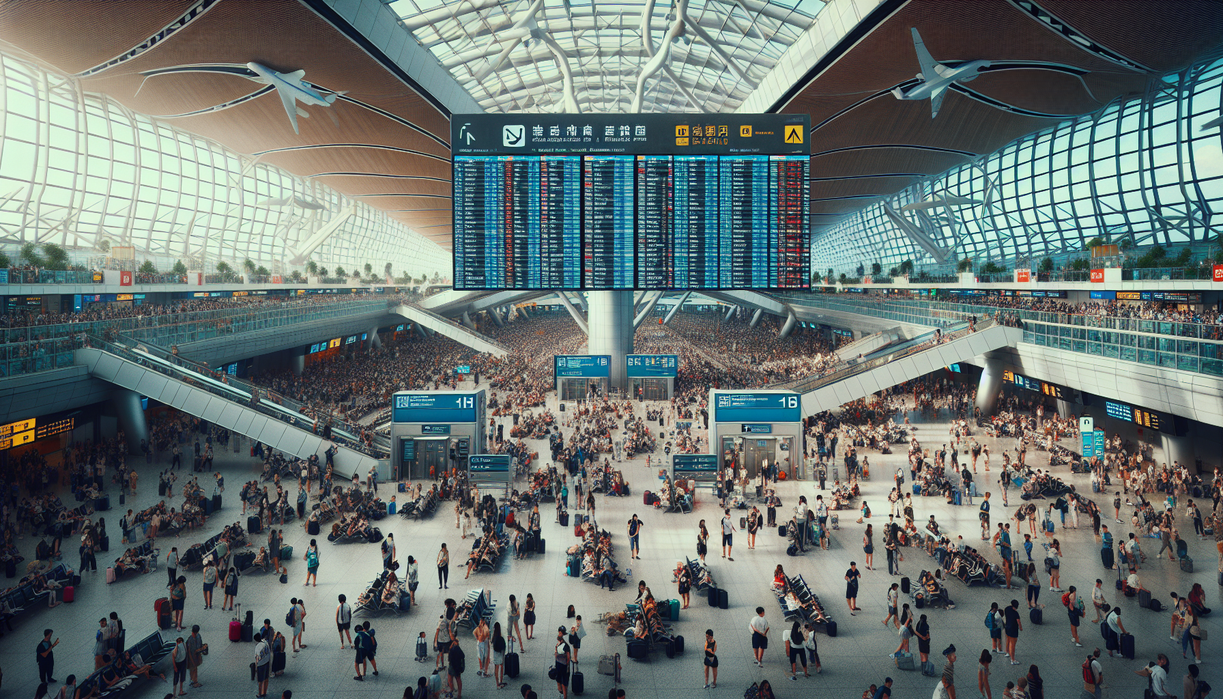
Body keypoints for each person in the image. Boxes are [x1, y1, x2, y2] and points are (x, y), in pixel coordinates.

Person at [553, 627, 571, 699]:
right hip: (560, 664)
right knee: (561, 680)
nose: (559, 634)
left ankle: (564, 695)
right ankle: (563, 693)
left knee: (563, 681)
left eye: (560, 633)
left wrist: (566, 664)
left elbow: (568, 657)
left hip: (562, 665)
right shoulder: (559, 645)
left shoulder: (565, 646)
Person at [1004, 599, 1022, 665]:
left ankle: (1007, 652)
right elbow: (1018, 621)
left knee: (1008, 640)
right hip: (1013, 630)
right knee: (1013, 644)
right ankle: (1013, 659)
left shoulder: (1007, 609)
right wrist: (1020, 628)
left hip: (1007, 627)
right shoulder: (1016, 613)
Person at [254, 632, 271, 698]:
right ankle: (265, 691)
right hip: (267, 662)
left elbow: (257, 658)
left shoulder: (258, 647)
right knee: (266, 678)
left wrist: (256, 667)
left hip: (261, 665)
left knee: (260, 680)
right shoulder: (265, 642)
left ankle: (260, 693)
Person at [492, 622, 508, 689]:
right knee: (501, 667)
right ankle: (500, 681)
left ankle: (497, 683)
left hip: (495, 654)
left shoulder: (494, 638)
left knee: (496, 668)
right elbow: (503, 647)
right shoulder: (501, 638)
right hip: (500, 655)